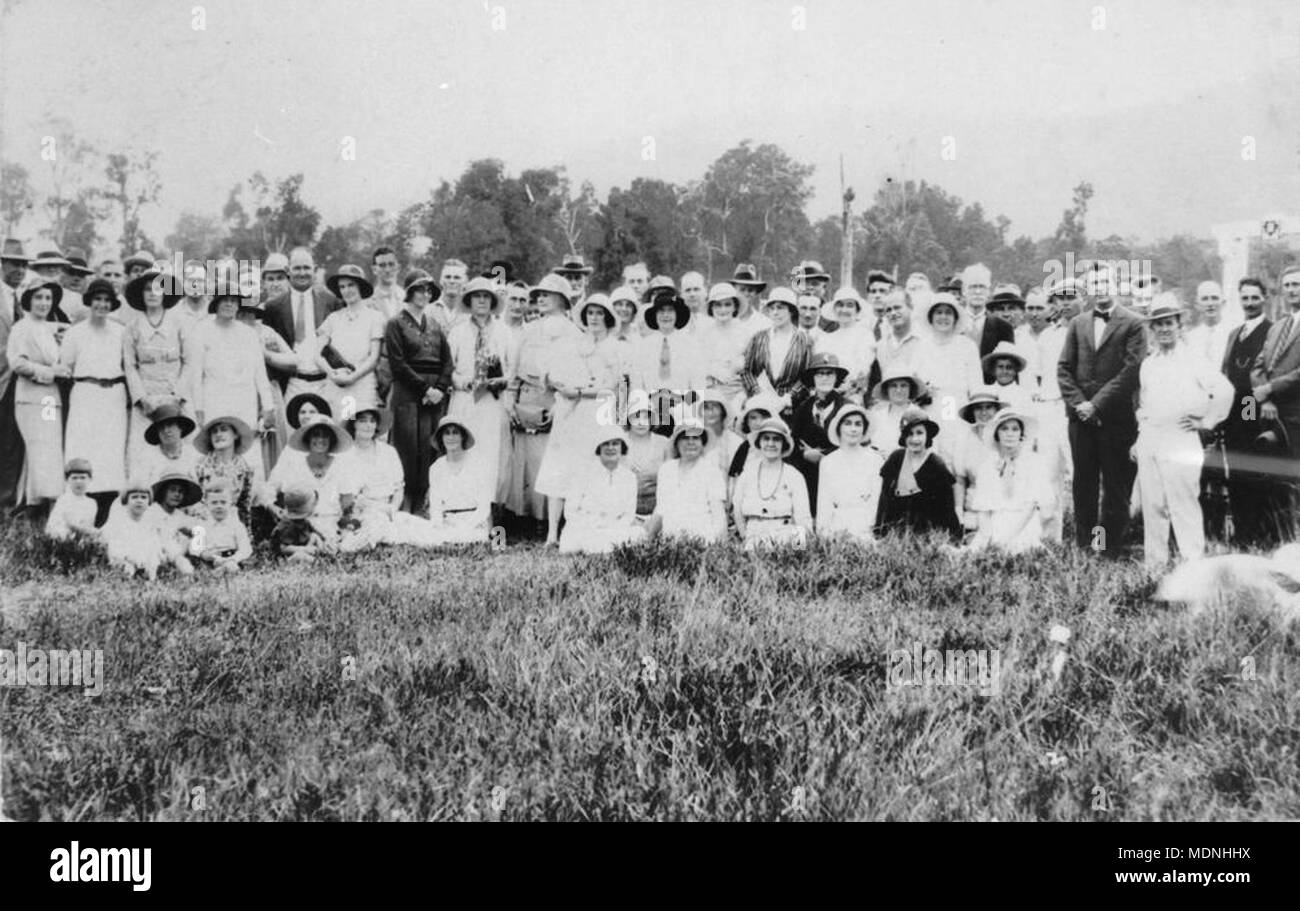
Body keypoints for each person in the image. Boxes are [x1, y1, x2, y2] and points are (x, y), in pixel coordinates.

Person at [1134, 301, 1233, 569]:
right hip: (1151, 439)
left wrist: (1206, 421)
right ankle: (1154, 566)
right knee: (1153, 505)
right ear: (1152, 329)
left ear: (1179, 325)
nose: (1164, 329)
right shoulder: (1149, 364)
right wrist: (1140, 438)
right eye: (1159, 324)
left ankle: (1193, 565)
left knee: (1183, 504)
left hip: (1180, 438)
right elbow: (1144, 405)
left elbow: (1225, 391)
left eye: (1169, 323)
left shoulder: (1193, 359)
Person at [1057, 264, 1146, 555]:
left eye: (1105, 281)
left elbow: (1132, 370)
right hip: (1080, 419)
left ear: (1116, 284)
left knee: (1115, 486)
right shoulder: (1078, 323)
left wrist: (1096, 404)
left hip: (1116, 419)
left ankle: (1109, 548)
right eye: (1094, 282)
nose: (1100, 287)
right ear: (1088, 288)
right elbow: (1064, 368)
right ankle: (1084, 546)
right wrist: (1079, 404)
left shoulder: (1133, 322)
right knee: (1084, 484)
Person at [536, 288, 625, 546]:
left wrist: (580, 391)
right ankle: (552, 533)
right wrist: (562, 386)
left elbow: (613, 386)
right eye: (590, 313)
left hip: (598, 413)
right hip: (570, 414)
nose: (594, 318)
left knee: (593, 469)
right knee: (560, 470)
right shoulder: (573, 343)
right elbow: (553, 373)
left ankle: (587, 528)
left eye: (599, 313)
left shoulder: (614, 347)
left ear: (608, 317)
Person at [505, 274, 579, 528]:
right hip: (526, 399)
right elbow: (515, 369)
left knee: (550, 461)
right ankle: (523, 515)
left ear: (562, 299)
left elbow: (575, 374)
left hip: (556, 402)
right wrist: (510, 398)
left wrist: (561, 405)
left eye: (548, 294)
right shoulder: (530, 329)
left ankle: (549, 520)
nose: (542, 299)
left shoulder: (573, 333)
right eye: (540, 295)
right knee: (525, 460)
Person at [188, 284, 277, 479]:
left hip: (244, 402)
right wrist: (199, 408)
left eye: (234, 301)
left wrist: (268, 406)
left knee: (248, 453)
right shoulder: (202, 331)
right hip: (214, 400)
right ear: (216, 303)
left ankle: (251, 501)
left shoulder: (249, 334)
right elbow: (195, 375)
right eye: (225, 300)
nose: (229, 304)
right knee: (217, 450)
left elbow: (260, 374)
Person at [61, 277, 127, 522]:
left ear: (112, 304)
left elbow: (128, 365)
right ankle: (79, 507)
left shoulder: (121, 332)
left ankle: (106, 512)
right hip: (85, 393)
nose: (102, 305)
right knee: (84, 447)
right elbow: (65, 366)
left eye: (107, 300)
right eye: (98, 299)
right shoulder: (75, 333)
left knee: (110, 450)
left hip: (113, 395)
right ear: (90, 302)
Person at [386, 269, 452, 513]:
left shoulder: (435, 324)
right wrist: (424, 387)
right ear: (409, 292)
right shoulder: (395, 323)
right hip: (408, 393)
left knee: (430, 446)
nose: (423, 295)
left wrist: (439, 389)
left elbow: (448, 361)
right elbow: (397, 363)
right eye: (418, 289)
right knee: (407, 447)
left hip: (434, 396)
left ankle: (426, 504)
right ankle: (405, 503)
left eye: (427, 290)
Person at [1215, 277, 1274, 545]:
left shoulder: (1272, 331)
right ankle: (1241, 534)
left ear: (1264, 298)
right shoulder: (1234, 333)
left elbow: (1260, 376)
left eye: (1254, 298)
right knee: (1235, 474)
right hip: (1231, 415)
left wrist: (1248, 416)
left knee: (1254, 475)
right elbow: (1227, 371)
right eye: (1245, 298)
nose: (1249, 303)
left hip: (1253, 413)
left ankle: (1257, 535)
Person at [448, 276, 513, 507]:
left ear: (493, 301)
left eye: (487, 296)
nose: (482, 301)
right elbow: (449, 370)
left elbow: (512, 370)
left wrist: (498, 381)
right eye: (477, 297)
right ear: (469, 300)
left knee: (491, 453)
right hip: (465, 401)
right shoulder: (457, 332)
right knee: (466, 449)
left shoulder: (504, 332)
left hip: (493, 403)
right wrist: (464, 383)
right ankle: (463, 505)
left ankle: (490, 507)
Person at [7, 280, 70, 514]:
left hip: (49, 398)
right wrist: (50, 373)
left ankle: (32, 501)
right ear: (29, 300)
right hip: (32, 398)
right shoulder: (22, 328)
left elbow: (61, 328)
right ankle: (42, 502)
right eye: (39, 298)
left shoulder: (46, 327)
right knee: (42, 448)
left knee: (48, 447)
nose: (44, 303)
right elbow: (17, 363)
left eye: (48, 298)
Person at [335, 407, 435, 551]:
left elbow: (399, 487)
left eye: (372, 421)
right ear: (354, 424)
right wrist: (374, 509)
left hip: (388, 510)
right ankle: (359, 541)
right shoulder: (346, 455)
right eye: (362, 421)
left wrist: (392, 509)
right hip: (360, 511)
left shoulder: (388, 451)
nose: (368, 425)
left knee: (421, 530)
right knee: (371, 529)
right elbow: (348, 496)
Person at [1249, 266, 1300, 542]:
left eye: (1297, 284)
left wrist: (1272, 388)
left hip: (1296, 418)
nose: (1293, 289)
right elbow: (1257, 366)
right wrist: (1264, 396)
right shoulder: (1277, 327)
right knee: (1276, 485)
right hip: (1271, 418)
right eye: (1288, 285)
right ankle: (1281, 543)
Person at [121, 268, 187, 470]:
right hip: (146, 403)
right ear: (141, 294)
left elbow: (189, 362)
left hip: (174, 399)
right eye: (147, 289)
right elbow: (130, 365)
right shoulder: (132, 327)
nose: (152, 293)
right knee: (140, 450)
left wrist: (178, 395)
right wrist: (142, 398)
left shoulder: (179, 324)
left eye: (157, 289)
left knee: (177, 447)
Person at [968, 408, 1057, 553]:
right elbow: (984, 510)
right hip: (995, 522)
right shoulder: (987, 465)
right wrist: (988, 538)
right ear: (997, 434)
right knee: (979, 552)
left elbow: (1031, 507)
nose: (1010, 434)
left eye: (1015, 429)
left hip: (1024, 523)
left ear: (1021, 435)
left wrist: (1004, 539)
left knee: (1017, 551)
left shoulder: (1034, 462)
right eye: (1004, 429)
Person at [262, 246, 341, 401]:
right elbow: (271, 352)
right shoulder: (273, 307)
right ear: (288, 270)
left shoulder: (330, 301)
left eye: (306, 268)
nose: (302, 273)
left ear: (315, 269)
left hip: (326, 381)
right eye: (297, 268)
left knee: (330, 423)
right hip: (292, 383)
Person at [262, 414, 354, 543]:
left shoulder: (340, 465)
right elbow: (275, 490)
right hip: (300, 523)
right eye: (316, 435)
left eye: (325, 435)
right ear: (308, 438)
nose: (320, 440)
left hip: (330, 522)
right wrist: (273, 507)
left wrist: (346, 527)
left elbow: (347, 504)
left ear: (332, 439)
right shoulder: (295, 464)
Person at [875, 406, 961, 541]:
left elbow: (947, 510)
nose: (915, 439)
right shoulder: (896, 458)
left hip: (926, 535)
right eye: (909, 433)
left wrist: (953, 539)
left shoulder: (936, 465)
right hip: (895, 534)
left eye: (919, 433)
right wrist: (879, 532)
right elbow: (884, 500)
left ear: (928, 435)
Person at [236, 294, 296, 472]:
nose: (246, 317)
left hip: (268, 390)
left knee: (271, 436)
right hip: (240, 391)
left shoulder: (266, 332)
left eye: (251, 313)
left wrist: (268, 355)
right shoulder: (229, 332)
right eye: (242, 313)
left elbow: (293, 361)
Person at [317, 264, 385, 418]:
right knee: (339, 431)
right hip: (335, 385)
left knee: (358, 427)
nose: (346, 290)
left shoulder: (374, 317)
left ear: (360, 286)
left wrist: (352, 378)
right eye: (342, 287)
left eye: (351, 285)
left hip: (361, 385)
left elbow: (374, 357)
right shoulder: (333, 318)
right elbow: (317, 354)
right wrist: (332, 373)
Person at [732, 417, 812, 548]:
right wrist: (746, 539)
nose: (771, 444)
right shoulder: (747, 474)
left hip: (785, 540)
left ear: (784, 444)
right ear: (759, 442)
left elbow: (803, 518)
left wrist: (797, 554)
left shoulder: (794, 476)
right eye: (766, 438)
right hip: (752, 540)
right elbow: (737, 511)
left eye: (776, 439)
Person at [559, 429, 643, 553]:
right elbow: (570, 511)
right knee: (573, 545)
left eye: (615, 444)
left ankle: (605, 546)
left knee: (639, 534)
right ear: (599, 448)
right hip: (585, 528)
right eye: (606, 444)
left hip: (615, 528)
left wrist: (613, 528)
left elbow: (629, 514)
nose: (611, 448)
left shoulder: (629, 477)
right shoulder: (583, 473)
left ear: (622, 448)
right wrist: (592, 525)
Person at [788, 353, 849, 513]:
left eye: (829, 373)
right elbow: (793, 442)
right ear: (813, 379)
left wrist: (824, 455)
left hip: (840, 469)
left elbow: (855, 442)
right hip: (809, 472)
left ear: (836, 378)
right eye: (819, 373)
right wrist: (805, 454)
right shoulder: (803, 408)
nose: (824, 378)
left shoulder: (847, 408)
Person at [816, 404, 884, 542]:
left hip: (866, 528)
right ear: (839, 428)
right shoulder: (828, 462)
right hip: (837, 526)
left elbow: (876, 502)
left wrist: (867, 531)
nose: (853, 429)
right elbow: (824, 503)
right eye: (848, 424)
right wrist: (824, 534)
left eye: (858, 424)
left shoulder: (875, 460)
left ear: (864, 429)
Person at [740, 287, 812, 416]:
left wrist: (789, 397)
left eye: (780, 308)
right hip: (760, 406)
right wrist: (758, 392)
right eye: (771, 308)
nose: (775, 312)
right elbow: (746, 370)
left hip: (792, 409)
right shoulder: (759, 338)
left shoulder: (805, 340)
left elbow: (807, 375)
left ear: (791, 311)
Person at [914, 291, 982, 421]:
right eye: (939, 312)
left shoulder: (966, 345)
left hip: (955, 405)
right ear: (931, 317)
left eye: (948, 313)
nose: (943, 317)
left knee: (950, 436)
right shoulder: (921, 346)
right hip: (927, 407)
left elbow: (976, 385)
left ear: (955, 318)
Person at [425, 417, 492, 545]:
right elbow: (436, 505)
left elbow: (484, 507)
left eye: (455, 432)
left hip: (473, 523)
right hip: (448, 523)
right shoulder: (436, 468)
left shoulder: (478, 464)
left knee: (474, 537)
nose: (451, 437)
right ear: (441, 438)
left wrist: (467, 526)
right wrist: (438, 526)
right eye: (447, 433)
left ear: (462, 437)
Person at [632, 288, 703, 409]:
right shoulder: (643, 346)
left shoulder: (691, 345)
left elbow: (698, 385)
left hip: (683, 408)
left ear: (677, 314)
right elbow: (636, 384)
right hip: (650, 410)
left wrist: (683, 405)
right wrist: (647, 406)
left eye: (670, 310)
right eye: (661, 311)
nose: (666, 315)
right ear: (655, 315)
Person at [950, 387, 1007, 534]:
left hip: (1003, 505)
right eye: (978, 408)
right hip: (974, 505)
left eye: (988, 407)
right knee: (972, 535)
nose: (983, 413)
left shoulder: (1006, 434)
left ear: (996, 411)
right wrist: (958, 510)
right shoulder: (965, 438)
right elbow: (960, 479)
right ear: (972, 412)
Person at [193, 416, 258, 529]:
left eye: (223, 429)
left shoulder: (244, 468)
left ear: (235, 435)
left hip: (232, 527)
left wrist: (246, 542)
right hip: (203, 524)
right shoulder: (199, 466)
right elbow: (194, 504)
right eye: (214, 432)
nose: (218, 434)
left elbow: (244, 508)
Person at [815, 287, 876, 399]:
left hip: (851, 394)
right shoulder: (825, 338)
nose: (844, 310)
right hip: (826, 392)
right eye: (840, 305)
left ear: (857, 310)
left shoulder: (864, 335)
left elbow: (862, 368)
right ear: (834, 309)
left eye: (849, 305)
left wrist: (844, 387)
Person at [101, 478, 165, 579]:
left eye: (143, 497)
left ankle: (148, 576)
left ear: (149, 501)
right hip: (124, 557)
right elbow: (114, 545)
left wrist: (155, 557)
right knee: (127, 571)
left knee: (152, 565)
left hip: (143, 557)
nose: (139, 501)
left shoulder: (149, 522)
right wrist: (128, 559)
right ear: (126, 500)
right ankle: (130, 574)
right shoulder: (120, 520)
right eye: (134, 497)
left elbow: (153, 543)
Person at [961, 263, 1015, 378]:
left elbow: (1008, 367)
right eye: (973, 287)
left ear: (989, 291)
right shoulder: (953, 324)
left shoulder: (1003, 327)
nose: (977, 292)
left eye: (982, 287)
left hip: (990, 389)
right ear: (964, 291)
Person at [624, 390, 671, 520]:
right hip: (625, 512)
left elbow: (671, 482)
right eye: (636, 416)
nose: (641, 422)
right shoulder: (619, 442)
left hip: (658, 513)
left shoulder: (664, 443)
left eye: (646, 417)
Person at [193, 479, 253, 572]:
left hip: (232, 558)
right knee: (199, 567)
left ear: (230, 504)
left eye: (223, 502)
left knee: (232, 567)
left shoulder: (236, 525)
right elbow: (196, 546)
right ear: (207, 505)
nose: (219, 506)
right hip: (211, 559)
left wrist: (234, 559)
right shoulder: (202, 525)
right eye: (214, 503)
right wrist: (203, 554)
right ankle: (217, 571)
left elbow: (246, 548)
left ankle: (223, 570)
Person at [149, 470, 202, 575]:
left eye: (180, 491)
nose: (177, 494)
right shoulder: (153, 511)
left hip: (177, 553)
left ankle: (194, 561)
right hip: (158, 552)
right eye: (172, 490)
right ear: (163, 492)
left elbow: (195, 529)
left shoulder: (180, 515)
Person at [137, 403, 200, 486]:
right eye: (161, 427)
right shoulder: (147, 457)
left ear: (180, 428)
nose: (166, 430)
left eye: (170, 425)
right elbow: (140, 487)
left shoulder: (193, 455)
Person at [865, 369, 922, 455]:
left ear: (910, 389)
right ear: (886, 389)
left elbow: (929, 452)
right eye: (894, 386)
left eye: (903, 385)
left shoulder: (920, 416)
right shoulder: (876, 416)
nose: (898, 390)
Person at [696, 389, 744, 482]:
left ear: (723, 411)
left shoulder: (736, 441)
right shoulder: (695, 440)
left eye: (715, 406)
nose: (710, 412)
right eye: (706, 407)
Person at [272, 485, 329, 563]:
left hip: (303, 547)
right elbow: (284, 548)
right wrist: (305, 549)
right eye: (312, 504)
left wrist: (325, 542)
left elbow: (317, 534)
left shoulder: (304, 521)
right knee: (301, 556)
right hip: (289, 556)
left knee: (314, 536)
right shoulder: (287, 526)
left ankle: (324, 552)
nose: (315, 506)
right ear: (304, 508)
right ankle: (319, 563)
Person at [45, 459, 99, 540]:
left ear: (90, 479)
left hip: (80, 534)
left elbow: (88, 524)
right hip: (62, 537)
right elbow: (72, 524)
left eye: (83, 478)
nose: (78, 482)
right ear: (67, 480)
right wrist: (94, 532)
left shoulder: (91, 503)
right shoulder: (64, 500)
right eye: (74, 478)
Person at [981, 341, 1033, 411]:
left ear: (1015, 371)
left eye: (1009, 367)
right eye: (1000, 367)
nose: (1004, 371)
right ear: (993, 369)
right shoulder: (986, 392)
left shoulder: (1023, 395)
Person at [730, 263, 772, 336]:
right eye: (742, 289)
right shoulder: (725, 319)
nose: (746, 293)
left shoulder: (764, 323)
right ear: (734, 291)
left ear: (755, 293)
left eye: (750, 290)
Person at [430, 259, 470, 333]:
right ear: (441, 281)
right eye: (448, 277)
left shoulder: (471, 313)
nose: (452, 281)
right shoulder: (427, 311)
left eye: (457, 277)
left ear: (465, 282)